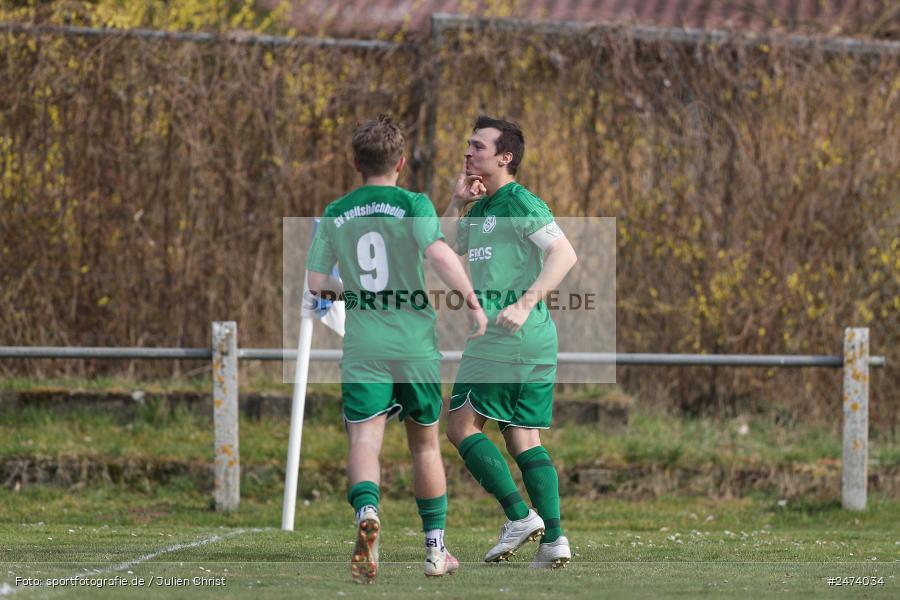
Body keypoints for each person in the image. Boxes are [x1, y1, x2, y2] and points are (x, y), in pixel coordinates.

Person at [306, 115, 488, 584]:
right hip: (414, 345)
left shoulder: (335, 212)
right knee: (425, 445)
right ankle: (434, 550)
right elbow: (440, 253)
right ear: (401, 163)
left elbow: (316, 283)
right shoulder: (414, 204)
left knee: (364, 438)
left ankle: (367, 512)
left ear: (355, 163)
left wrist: (345, 294)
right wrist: (472, 301)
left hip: (365, 343)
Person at [442, 115, 578, 569]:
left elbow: (565, 253)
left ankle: (520, 517)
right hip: (527, 341)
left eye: (478, 147)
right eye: (468, 145)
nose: (468, 153)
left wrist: (523, 303)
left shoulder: (519, 202)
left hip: (510, 336)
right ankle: (554, 539)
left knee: (460, 427)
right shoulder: (479, 209)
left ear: (505, 157)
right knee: (522, 437)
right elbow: (441, 249)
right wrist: (455, 201)